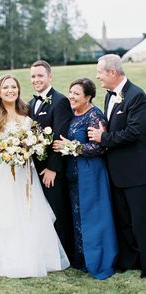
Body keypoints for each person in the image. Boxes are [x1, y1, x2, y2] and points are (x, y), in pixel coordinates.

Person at [0, 74, 70, 277]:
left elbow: (34, 140)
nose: (10, 90)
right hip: (3, 171)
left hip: (25, 171)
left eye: (13, 87)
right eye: (6, 87)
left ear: (18, 90)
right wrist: (9, 149)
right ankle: (4, 259)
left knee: (28, 211)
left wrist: (29, 148)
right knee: (5, 212)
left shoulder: (26, 112)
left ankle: (32, 256)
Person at [88, 54, 146, 279]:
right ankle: (128, 260)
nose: (97, 76)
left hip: (135, 172)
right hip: (115, 171)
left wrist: (103, 137)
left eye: (100, 72)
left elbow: (134, 133)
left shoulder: (137, 96)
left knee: (140, 220)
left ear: (112, 72)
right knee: (121, 219)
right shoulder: (108, 96)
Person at [53, 78, 118, 280]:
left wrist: (71, 147)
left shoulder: (94, 116)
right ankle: (80, 259)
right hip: (73, 174)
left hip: (91, 174)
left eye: (76, 93)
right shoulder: (72, 114)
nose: (71, 96)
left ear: (88, 96)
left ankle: (98, 260)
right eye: (70, 92)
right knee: (77, 216)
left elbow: (99, 147)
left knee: (94, 218)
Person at [29, 60, 73, 259]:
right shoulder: (31, 103)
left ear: (49, 77)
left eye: (40, 76)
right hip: (33, 168)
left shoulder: (60, 101)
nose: (36, 80)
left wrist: (53, 169)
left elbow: (59, 137)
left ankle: (64, 253)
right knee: (41, 211)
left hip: (52, 170)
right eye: (33, 76)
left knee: (57, 210)